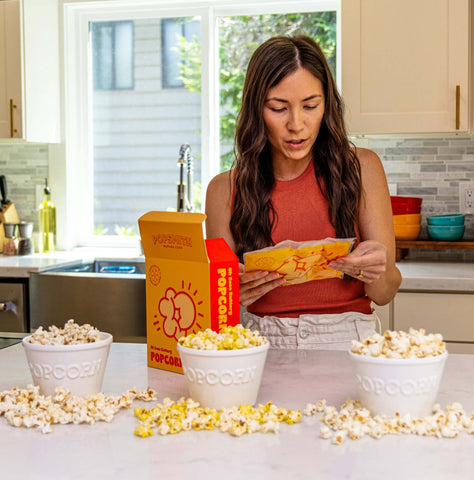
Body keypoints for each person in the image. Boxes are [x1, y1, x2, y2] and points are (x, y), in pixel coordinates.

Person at [205, 35, 401, 349]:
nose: (297, 124)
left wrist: (378, 269)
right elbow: (213, 315)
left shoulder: (362, 168)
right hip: (259, 342)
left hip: (347, 341)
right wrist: (231, 296)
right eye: (278, 108)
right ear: (257, 110)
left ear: (327, 105)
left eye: (311, 105)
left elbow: (385, 293)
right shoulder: (222, 190)